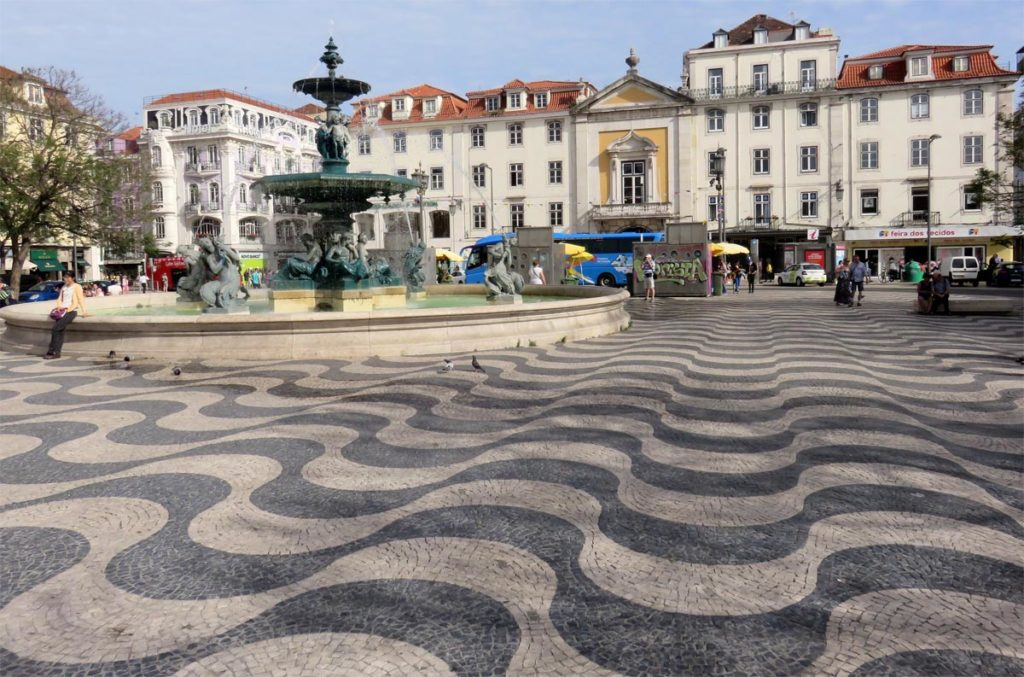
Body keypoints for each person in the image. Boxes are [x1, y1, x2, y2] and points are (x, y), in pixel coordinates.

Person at [44, 272, 86, 360]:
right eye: (64, 277)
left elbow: (80, 299)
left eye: (67, 277)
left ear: (73, 278)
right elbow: (59, 298)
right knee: (60, 331)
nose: (65, 279)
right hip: (61, 311)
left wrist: (84, 311)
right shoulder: (64, 287)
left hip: (71, 311)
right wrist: (59, 306)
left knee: (55, 329)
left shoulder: (77, 287)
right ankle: (57, 352)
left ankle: (52, 350)